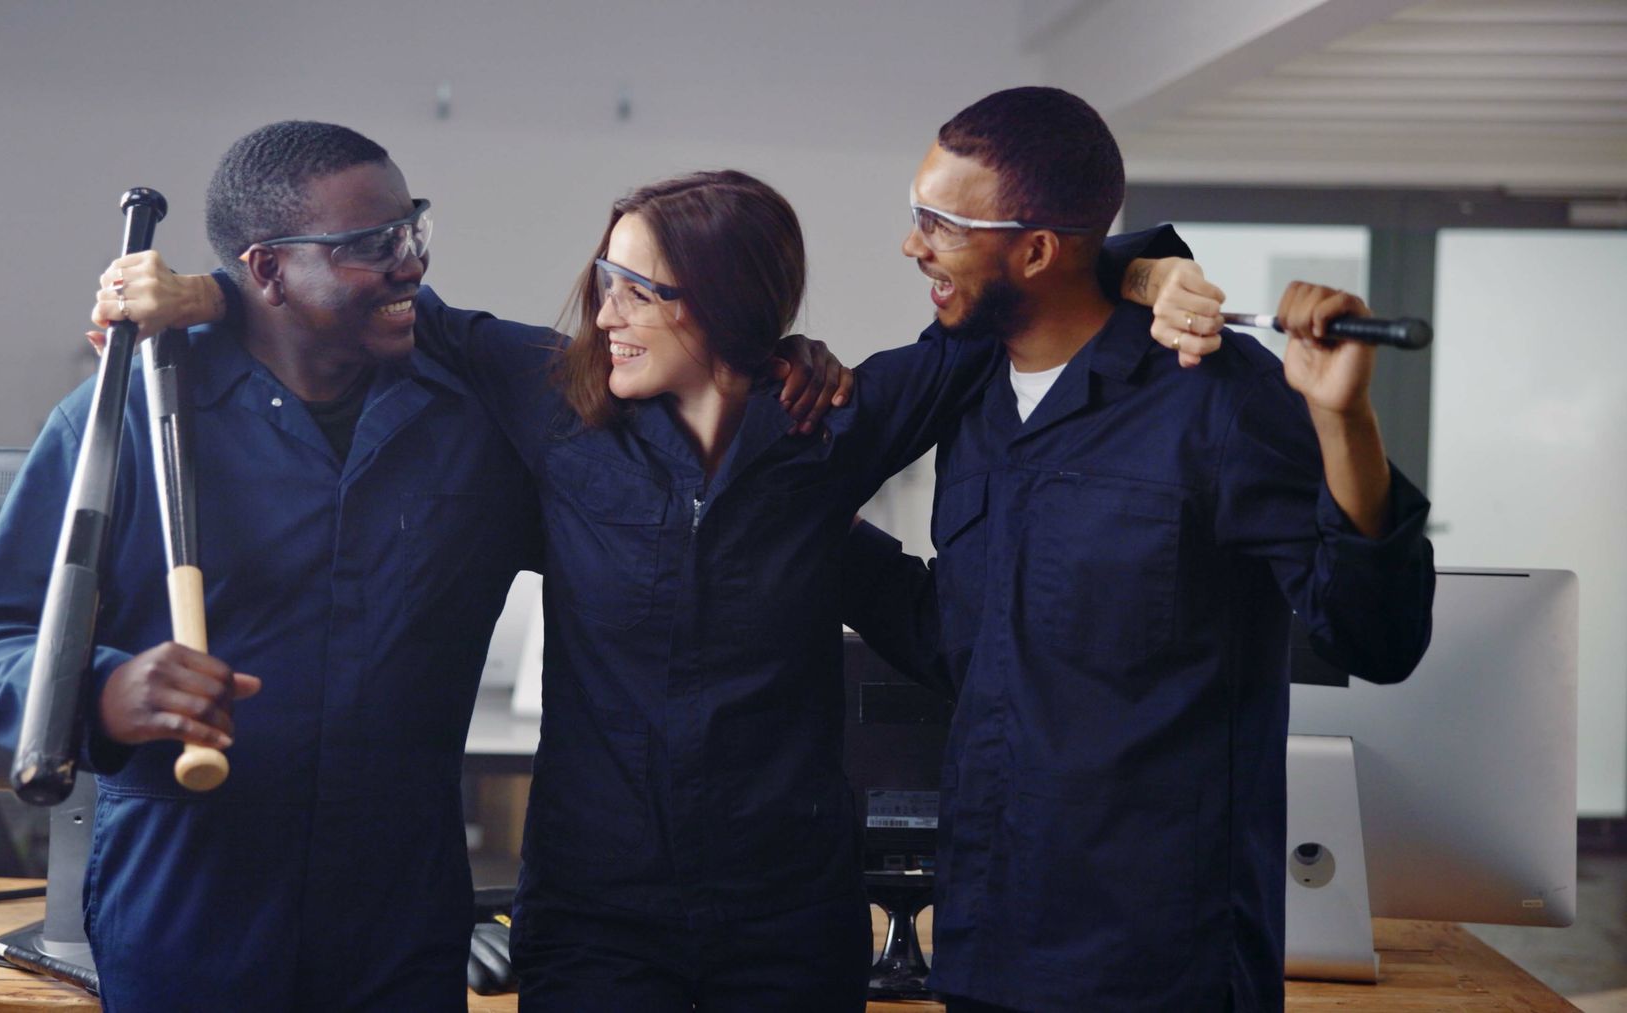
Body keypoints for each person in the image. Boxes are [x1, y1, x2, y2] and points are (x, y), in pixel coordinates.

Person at [106, 167, 1194, 1011]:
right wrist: (201, 292)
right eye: (604, 280)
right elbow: (383, 305)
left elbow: (1016, 298)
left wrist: (1151, 273)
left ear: (721, 304)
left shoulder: (834, 427)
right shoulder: (557, 409)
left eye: (638, 289)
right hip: (596, 916)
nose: (605, 312)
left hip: (789, 919)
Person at [840, 87, 1438, 1012]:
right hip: (983, 947)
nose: (914, 243)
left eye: (940, 222)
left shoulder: (1216, 397)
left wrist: (1344, 420)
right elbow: (963, 642)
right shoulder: (974, 398)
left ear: (1036, 249)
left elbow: (1377, 635)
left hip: (1160, 969)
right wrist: (812, 537)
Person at [0, 121, 548, 1012]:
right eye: (370, 246)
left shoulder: (474, 422)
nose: (410, 262)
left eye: (412, 228)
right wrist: (103, 690)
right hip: (189, 912)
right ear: (267, 271)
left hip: (399, 920)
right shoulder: (129, 415)